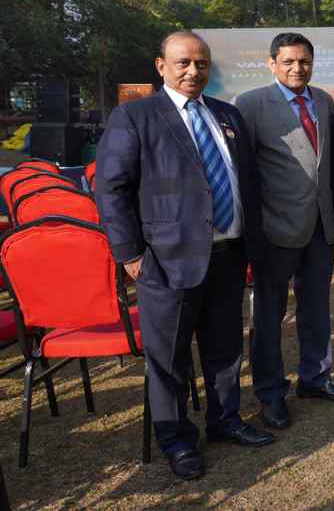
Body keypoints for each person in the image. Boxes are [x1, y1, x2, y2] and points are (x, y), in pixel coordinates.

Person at [95, 31, 273, 482]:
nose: (193, 71)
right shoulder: (135, 116)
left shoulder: (227, 115)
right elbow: (112, 189)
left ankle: (225, 419)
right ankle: (176, 439)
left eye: (201, 63)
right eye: (183, 63)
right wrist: (130, 255)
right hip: (166, 260)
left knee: (225, 347)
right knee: (170, 358)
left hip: (228, 255)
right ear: (161, 66)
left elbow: (246, 180)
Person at [235, 33, 334, 432]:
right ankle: (270, 394)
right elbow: (244, 173)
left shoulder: (322, 100)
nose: (297, 68)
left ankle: (316, 378)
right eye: (288, 61)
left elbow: (327, 165)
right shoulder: (250, 104)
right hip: (274, 230)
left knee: (317, 308)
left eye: (304, 61)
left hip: (320, 227)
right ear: (271, 64)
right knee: (270, 316)